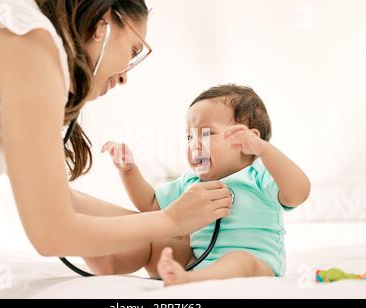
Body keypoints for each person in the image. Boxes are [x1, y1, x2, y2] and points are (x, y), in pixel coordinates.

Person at [0, 0, 231, 259]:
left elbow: (62, 201)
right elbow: (53, 230)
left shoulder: (32, 47)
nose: (126, 76)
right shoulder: (32, 51)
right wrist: (171, 221)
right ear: (104, 23)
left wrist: (168, 231)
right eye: (134, 49)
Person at [101, 84, 311, 285]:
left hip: (255, 266)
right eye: (190, 136)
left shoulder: (259, 175)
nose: (194, 144)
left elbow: (298, 193)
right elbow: (152, 204)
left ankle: (189, 281)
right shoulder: (191, 182)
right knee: (151, 241)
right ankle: (111, 261)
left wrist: (265, 150)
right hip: (196, 260)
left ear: (250, 141)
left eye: (207, 133)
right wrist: (129, 171)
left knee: (239, 260)